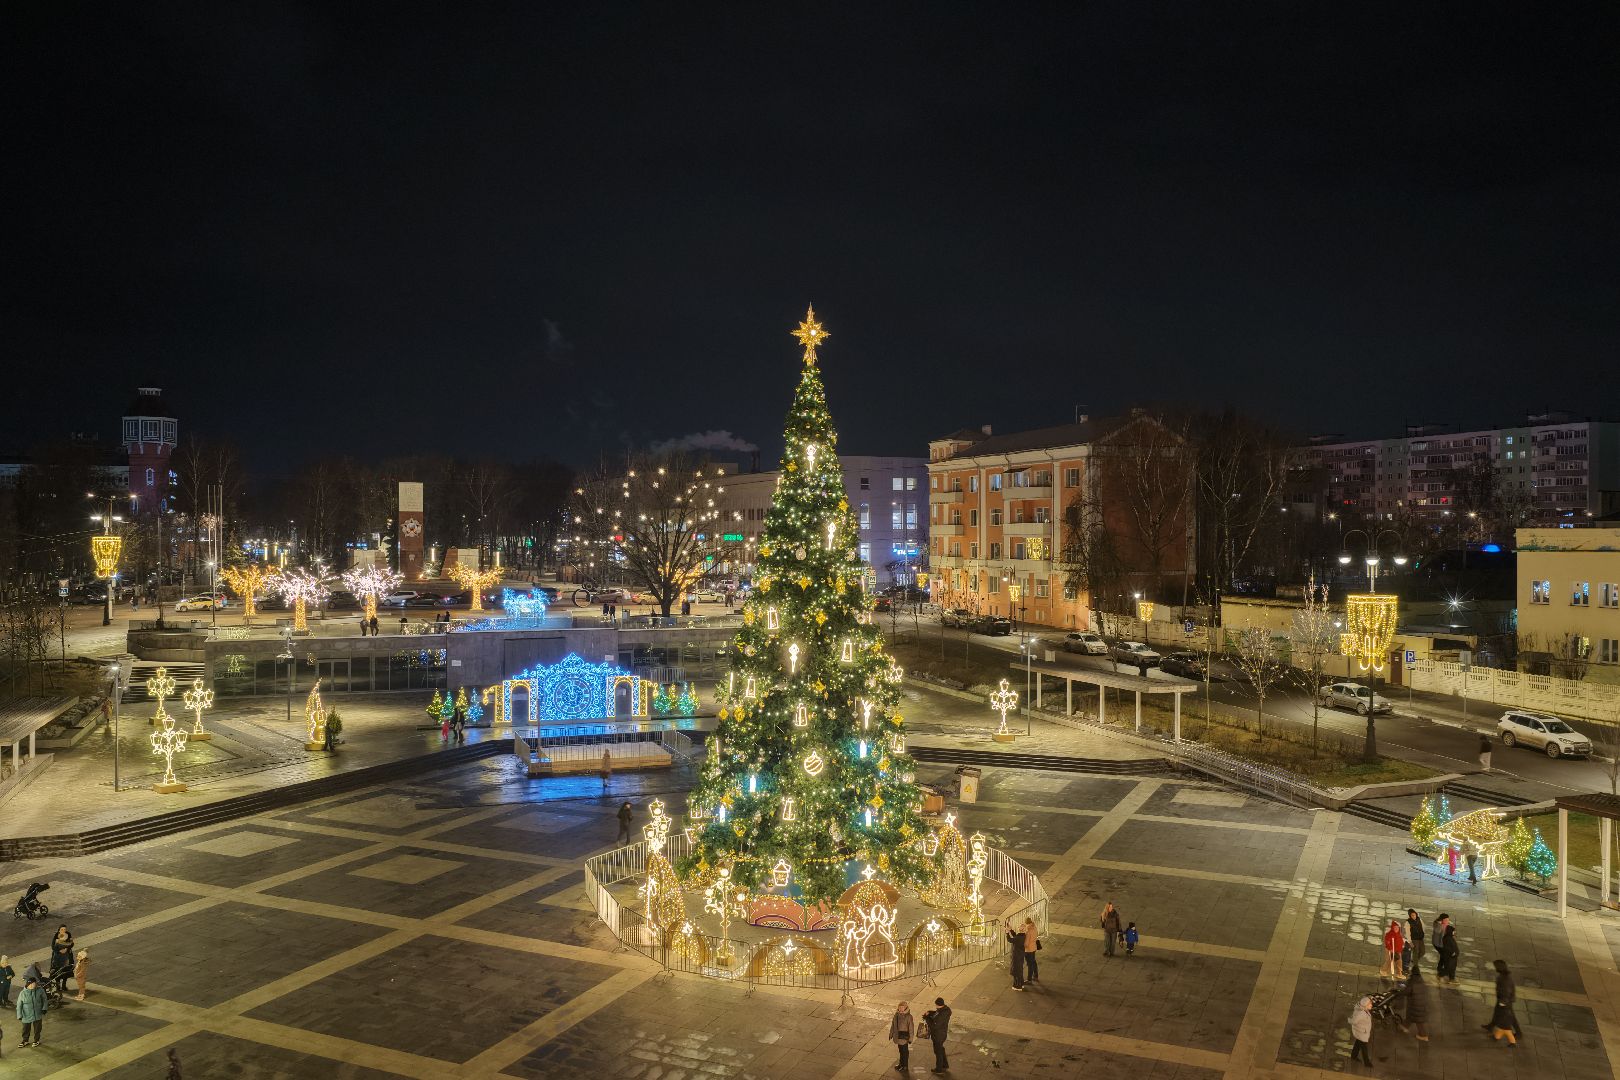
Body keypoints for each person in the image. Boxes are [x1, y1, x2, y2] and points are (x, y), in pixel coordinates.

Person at [1486, 959, 1519, 1047]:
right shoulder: (1504, 976)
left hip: (1504, 1003)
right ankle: (1496, 1035)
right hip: (1504, 1002)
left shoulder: (1505, 980)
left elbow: (1506, 993)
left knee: (1505, 1026)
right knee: (1502, 1023)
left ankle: (1513, 1042)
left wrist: (1502, 1003)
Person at [16, 974, 45, 1048]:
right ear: (27, 984)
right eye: (31, 984)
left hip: (37, 1013)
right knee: (25, 1028)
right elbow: (19, 1005)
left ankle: (36, 1040)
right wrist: (19, 1015)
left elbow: (44, 1000)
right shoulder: (22, 993)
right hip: (26, 1014)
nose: (32, 985)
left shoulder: (40, 990)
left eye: (34, 984)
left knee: (37, 1028)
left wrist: (44, 1008)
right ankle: (25, 1040)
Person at [923, 996, 951, 1073]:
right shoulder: (945, 1010)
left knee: (938, 1051)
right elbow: (936, 1013)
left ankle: (939, 1069)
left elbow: (935, 1026)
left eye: (936, 1005)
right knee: (941, 1049)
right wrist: (930, 1012)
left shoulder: (942, 1013)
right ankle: (945, 1064)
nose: (936, 1007)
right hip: (941, 1034)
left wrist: (927, 1018)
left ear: (938, 1005)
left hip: (938, 1035)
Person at [1403, 966, 1430, 1041]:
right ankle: (1404, 1027)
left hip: (1415, 1004)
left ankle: (1423, 1036)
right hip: (1422, 1004)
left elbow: (1406, 991)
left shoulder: (1412, 981)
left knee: (1417, 1020)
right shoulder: (1421, 980)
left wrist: (1401, 991)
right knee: (1414, 1018)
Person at [888, 1001, 914, 1071]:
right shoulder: (896, 1015)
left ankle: (905, 1066)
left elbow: (911, 1028)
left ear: (905, 1008)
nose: (900, 1009)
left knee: (904, 1052)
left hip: (904, 1037)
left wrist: (911, 1038)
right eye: (899, 1008)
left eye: (902, 1008)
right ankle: (901, 1064)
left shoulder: (908, 1017)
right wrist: (891, 1033)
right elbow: (893, 1025)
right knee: (901, 1051)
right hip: (897, 1036)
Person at [1348, 995, 1373, 1067]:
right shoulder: (1361, 1013)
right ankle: (1367, 1063)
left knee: (1358, 1043)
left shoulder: (1364, 1010)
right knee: (1364, 1048)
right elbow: (1354, 1021)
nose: (1371, 1005)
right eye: (1370, 1004)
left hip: (1362, 1032)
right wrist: (1349, 1020)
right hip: (1361, 1032)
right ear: (1365, 1005)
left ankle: (1354, 1056)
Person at [1436, 915, 1459, 984]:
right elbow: (1447, 948)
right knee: (1448, 968)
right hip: (1449, 956)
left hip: (1453, 955)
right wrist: (1452, 953)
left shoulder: (1450, 937)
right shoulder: (1447, 939)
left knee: (1452, 967)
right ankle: (1440, 975)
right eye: (1453, 931)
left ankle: (1452, 979)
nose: (1454, 932)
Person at [1005, 922, 1026, 989]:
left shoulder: (1019, 938)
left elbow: (1010, 940)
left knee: (1016, 971)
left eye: (1020, 926)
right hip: (1020, 955)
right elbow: (1015, 937)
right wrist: (1010, 929)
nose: (1018, 927)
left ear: (1022, 929)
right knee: (1019, 970)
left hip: (1016, 956)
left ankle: (1018, 986)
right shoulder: (1022, 936)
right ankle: (1021, 983)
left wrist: (1007, 933)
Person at [1020, 917, 1040, 983]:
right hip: (1034, 947)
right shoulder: (1034, 927)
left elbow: (1026, 943)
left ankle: (1029, 979)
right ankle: (1036, 975)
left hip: (1028, 950)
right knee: (1033, 962)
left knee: (1029, 964)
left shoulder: (1028, 931)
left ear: (1026, 923)